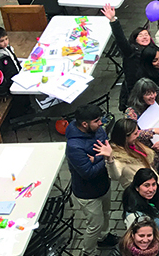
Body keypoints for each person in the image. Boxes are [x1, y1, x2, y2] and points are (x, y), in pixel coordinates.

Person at [65, 105, 119, 256]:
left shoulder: (98, 130)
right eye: (96, 121)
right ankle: (88, 252)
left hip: (104, 184)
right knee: (94, 225)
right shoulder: (74, 146)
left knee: (106, 213)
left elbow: (108, 146)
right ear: (84, 124)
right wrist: (106, 157)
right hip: (87, 193)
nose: (101, 123)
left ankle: (104, 237)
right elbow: (88, 173)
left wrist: (96, 158)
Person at [103, 4, 155, 107]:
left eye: (146, 35)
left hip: (152, 87)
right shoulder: (131, 52)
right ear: (135, 39)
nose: (144, 37)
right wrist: (113, 21)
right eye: (140, 36)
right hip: (136, 89)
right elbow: (121, 39)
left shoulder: (153, 50)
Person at [102, 119, 159, 193]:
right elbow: (115, 176)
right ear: (126, 136)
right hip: (142, 195)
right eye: (135, 134)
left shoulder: (134, 144)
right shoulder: (118, 156)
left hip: (152, 188)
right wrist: (110, 160)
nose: (138, 135)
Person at [124, 79, 159, 176]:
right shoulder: (131, 113)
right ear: (140, 95)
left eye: (154, 92)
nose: (153, 96)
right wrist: (154, 131)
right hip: (148, 159)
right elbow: (131, 134)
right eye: (148, 94)